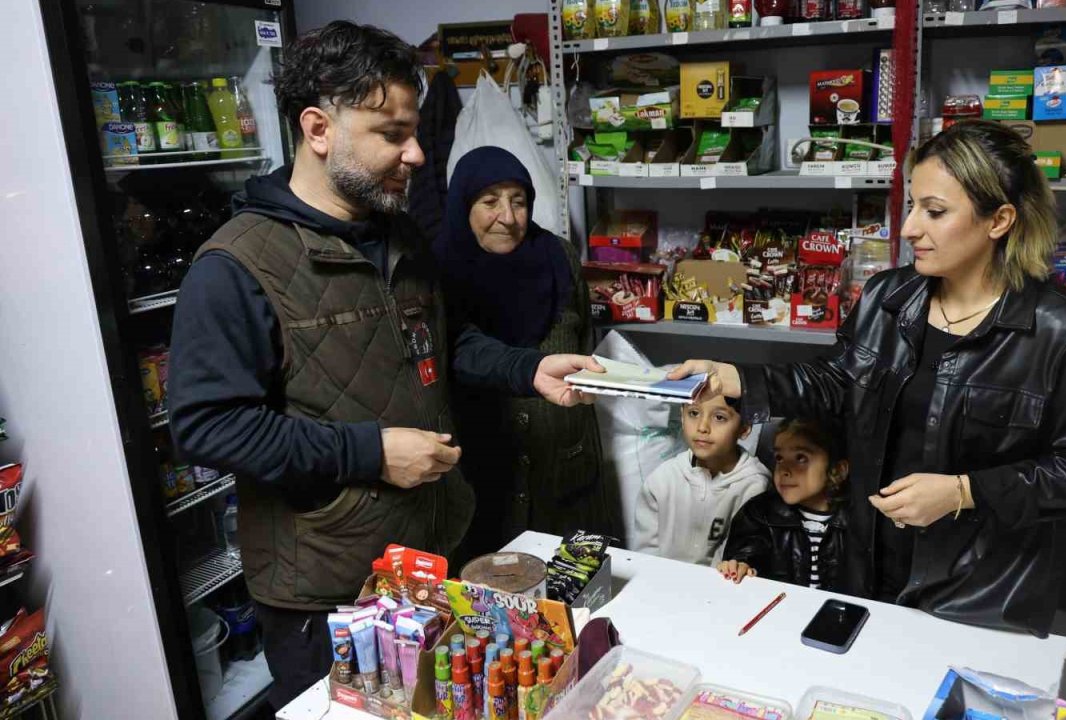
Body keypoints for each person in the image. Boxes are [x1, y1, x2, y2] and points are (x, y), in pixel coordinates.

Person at [166, 22, 602, 708]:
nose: (418, 153)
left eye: (414, 130)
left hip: (434, 559)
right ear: (318, 129)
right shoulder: (236, 267)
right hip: (331, 596)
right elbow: (207, 426)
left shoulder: (399, 234)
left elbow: (442, 342)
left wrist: (528, 370)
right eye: (392, 134)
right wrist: (370, 452)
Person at [672, 121, 1066, 637]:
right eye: (912, 206)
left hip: (981, 591)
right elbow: (836, 382)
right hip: (868, 566)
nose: (909, 228)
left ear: (999, 220)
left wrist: (963, 491)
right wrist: (735, 375)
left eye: (934, 212)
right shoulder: (889, 297)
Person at [434, 146, 622, 559]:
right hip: (479, 478)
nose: (508, 216)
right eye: (489, 201)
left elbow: (583, 341)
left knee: (575, 596)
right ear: (462, 204)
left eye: (518, 201)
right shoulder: (437, 269)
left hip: (565, 472)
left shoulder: (557, 258)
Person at [718, 418, 860, 592]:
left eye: (801, 458)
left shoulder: (860, 520)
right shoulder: (759, 513)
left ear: (837, 471)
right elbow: (746, 554)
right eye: (779, 458)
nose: (784, 469)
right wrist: (740, 566)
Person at [632, 395, 770, 565]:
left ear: (745, 427)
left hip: (722, 587)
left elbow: (741, 559)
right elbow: (645, 555)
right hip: (662, 583)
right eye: (694, 413)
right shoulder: (662, 480)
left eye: (719, 417)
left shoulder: (754, 486)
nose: (702, 427)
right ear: (682, 416)